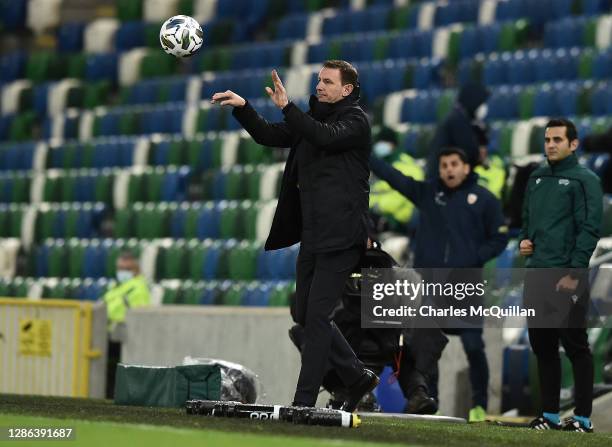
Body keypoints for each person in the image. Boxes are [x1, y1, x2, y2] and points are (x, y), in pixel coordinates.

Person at [211, 60, 378, 411]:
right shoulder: (310, 122)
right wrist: (244, 108)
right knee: (304, 314)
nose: (320, 86)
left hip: (343, 235)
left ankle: (303, 402)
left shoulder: (356, 121)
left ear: (346, 90)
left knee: (317, 318)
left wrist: (289, 108)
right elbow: (270, 135)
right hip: (314, 235)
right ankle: (357, 376)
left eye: (328, 81)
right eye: (319, 80)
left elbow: (324, 137)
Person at [370, 147, 508, 421]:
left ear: (466, 168)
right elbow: (393, 177)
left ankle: (479, 406)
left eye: (454, 164)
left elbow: (499, 238)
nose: (448, 169)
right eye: (444, 165)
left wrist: (474, 258)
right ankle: (432, 402)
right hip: (430, 287)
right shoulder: (428, 193)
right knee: (427, 349)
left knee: (473, 347)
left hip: (464, 288)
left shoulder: (485, 200)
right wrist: (365, 153)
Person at [519, 118, 603, 432]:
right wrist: (524, 242)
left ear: (573, 144)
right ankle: (550, 415)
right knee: (542, 346)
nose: (551, 145)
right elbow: (527, 224)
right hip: (536, 273)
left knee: (576, 346)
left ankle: (582, 418)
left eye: (557, 139)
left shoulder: (586, 180)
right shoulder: (537, 178)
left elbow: (590, 229)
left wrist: (574, 272)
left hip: (566, 275)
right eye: (547, 140)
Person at [102, 250, 151, 398]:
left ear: (136, 270)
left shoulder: (138, 288)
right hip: (109, 334)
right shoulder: (116, 287)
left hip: (124, 337)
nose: (122, 272)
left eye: (127, 269)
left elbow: (139, 317)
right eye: (120, 269)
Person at [426, 82, 490, 179]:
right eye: (481, 103)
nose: (484, 107)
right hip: (442, 181)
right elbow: (470, 152)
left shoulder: (459, 118)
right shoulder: (458, 121)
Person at [369, 126, 424, 234]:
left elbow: (400, 199)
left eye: (385, 142)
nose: (380, 145)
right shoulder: (375, 165)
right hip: (372, 217)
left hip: (398, 224)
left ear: (393, 144)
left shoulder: (408, 166)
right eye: (379, 142)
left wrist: (374, 207)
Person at [472, 121, 506, 200]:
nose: (480, 150)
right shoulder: (461, 166)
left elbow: (493, 193)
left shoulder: (496, 164)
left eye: (482, 145)